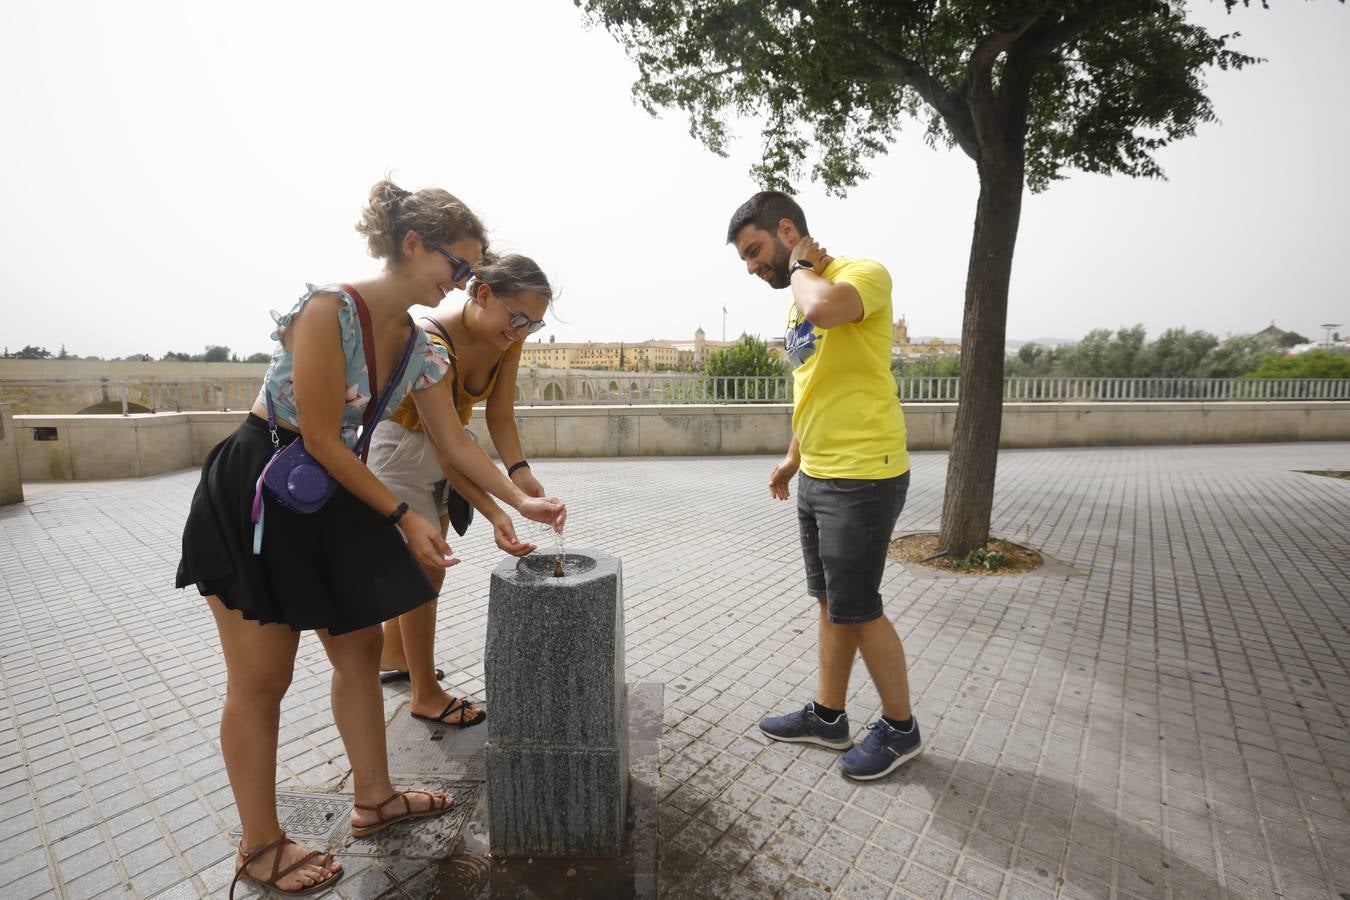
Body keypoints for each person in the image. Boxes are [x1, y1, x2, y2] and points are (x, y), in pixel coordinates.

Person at [175, 180, 566, 896]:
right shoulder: (331, 309)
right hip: (266, 484)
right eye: (462, 265)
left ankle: (375, 798)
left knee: (357, 652)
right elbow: (322, 438)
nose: (466, 281)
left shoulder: (416, 344)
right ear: (412, 246)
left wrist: (517, 499)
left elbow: (452, 438)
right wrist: (402, 517)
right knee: (263, 680)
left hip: (333, 490)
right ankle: (260, 844)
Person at [727, 190, 920, 781]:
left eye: (757, 251)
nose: (754, 267)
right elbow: (813, 387)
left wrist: (806, 269)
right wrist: (792, 458)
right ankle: (829, 715)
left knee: (859, 609)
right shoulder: (797, 298)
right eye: (745, 260)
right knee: (831, 604)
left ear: (788, 231)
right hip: (817, 474)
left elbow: (824, 310)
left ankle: (901, 728)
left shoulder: (860, 276)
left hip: (863, 474)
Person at [368, 252, 553, 727]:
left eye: (532, 325)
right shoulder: (430, 339)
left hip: (448, 450)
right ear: (484, 293)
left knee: (426, 563)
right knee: (427, 570)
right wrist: (508, 507)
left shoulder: (507, 335)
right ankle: (424, 694)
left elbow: (500, 415)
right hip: (399, 450)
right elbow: (451, 447)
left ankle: (395, 657)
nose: (520, 332)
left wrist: (519, 470)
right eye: (516, 319)